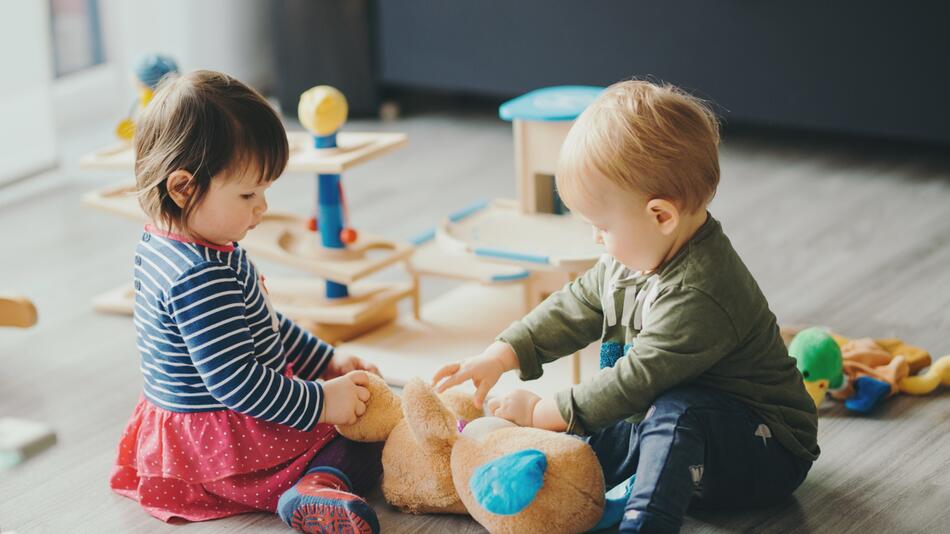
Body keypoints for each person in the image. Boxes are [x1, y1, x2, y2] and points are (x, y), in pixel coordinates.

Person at [434, 80, 819, 533]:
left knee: (675, 411)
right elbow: (575, 305)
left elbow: (635, 383)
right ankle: (537, 483)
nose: (595, 238)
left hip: (764, 451)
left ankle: (645, 520)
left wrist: (545, 412)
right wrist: (504, 354)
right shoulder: (630, 258)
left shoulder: (702, 292)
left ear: (660, 216)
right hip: (666, 426)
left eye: (601, 226)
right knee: (598, 435)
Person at [110, 70, 383, 534]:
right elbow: (238, 384)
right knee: (365, 435)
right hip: (227, 443)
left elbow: (264, 325)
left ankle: (310, 481)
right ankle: (312, 487)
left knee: (357, 411)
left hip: (188, 436)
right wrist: (322, 402)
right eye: (248, 193)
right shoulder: (200, 275)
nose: (262, 207)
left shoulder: (174, 242)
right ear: (183, 188)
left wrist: (326, 359)